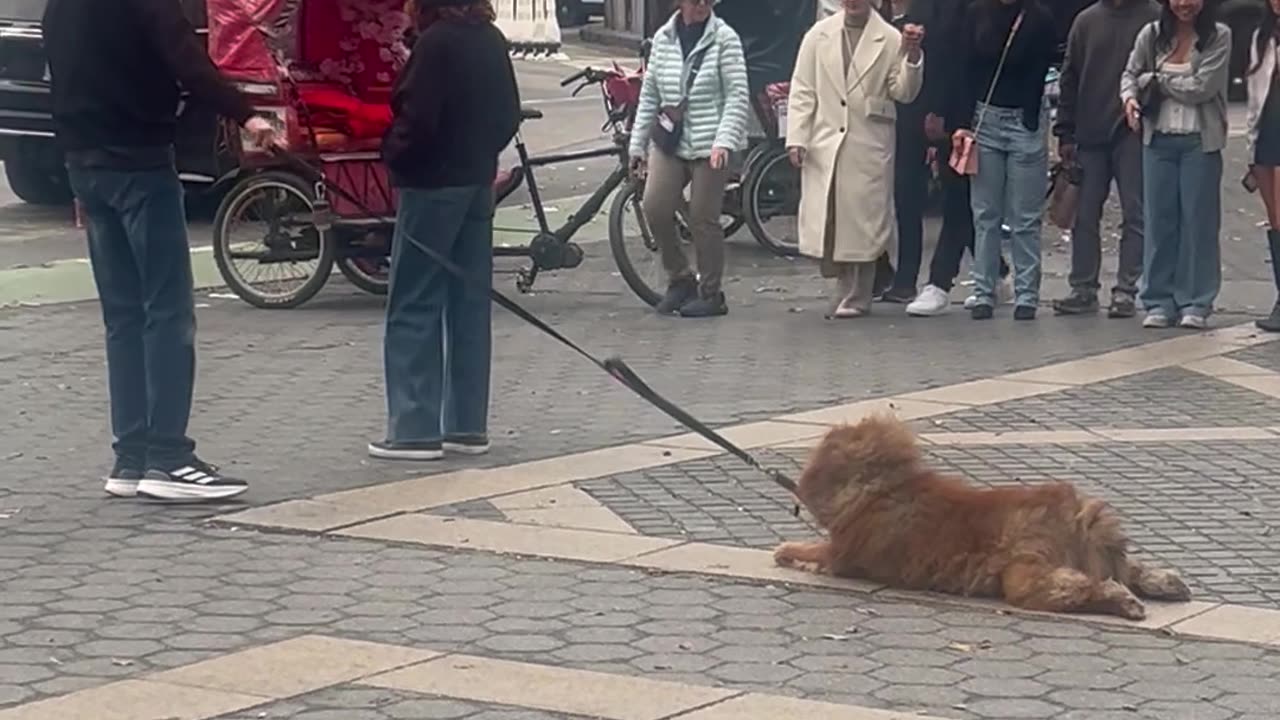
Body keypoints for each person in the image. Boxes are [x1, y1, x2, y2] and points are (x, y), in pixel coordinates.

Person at [43, 0, 275, 501]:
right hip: (140, 161)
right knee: (167, 311)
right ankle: (169, 456)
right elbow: (186, 61)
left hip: (85, 163)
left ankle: (131, 456)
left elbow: (56, 74)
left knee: (122, 318)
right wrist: (247, 116)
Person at [372, 0, 521, 460]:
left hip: (432, 183)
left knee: (414, 299)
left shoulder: (436, 44)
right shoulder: (490, 39)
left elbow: (416, 119)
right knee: (468, 302)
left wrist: (393, 155)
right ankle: (466, 424)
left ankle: (415, 427)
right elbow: (508, 115)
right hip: (477, 181)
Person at [786, 0, 924, 317]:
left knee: (865, 218)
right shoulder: (817, 35)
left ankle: (860, 293)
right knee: (835, 216)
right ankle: (845, 287)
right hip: (826, 139)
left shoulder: (889, 38)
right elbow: (803, 89)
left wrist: (912, 57)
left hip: (867, 140)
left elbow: (903, 91)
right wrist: (797, 137)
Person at [630, 0, 751, 317]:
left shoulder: (726, 38)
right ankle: (680, 278)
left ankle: (711, 294)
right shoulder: (663, 38)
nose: (701, 5)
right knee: (655, 207)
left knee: (702, 217)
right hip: (673, 141)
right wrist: (637, 145)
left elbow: (737, 95)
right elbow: (650, 95)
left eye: (707, 0)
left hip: (712, 142)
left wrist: (724, 141)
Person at [1121, 0, 1231, 329]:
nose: (1185, 4)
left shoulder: (1219, 36)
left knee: (1199, 224)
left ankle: (1196, 301)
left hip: (1200, 140)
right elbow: (1129, 74)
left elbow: (1203, 87)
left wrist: (1153, 80)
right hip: (1158, 140)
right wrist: (1130, 95)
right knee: (1159, 222)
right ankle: (1158, 300)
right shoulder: (1151, 34)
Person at [904, 0, 1013, 317]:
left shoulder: (972, 10)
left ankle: (940, 281)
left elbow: (959, 62)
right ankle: (996, 272)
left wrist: (944, 113)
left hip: (970, 113)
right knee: (961, 197)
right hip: (934, 109)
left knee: (959, 197)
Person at [949, 0, 1056, 321]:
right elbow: (965, 69)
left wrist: (1031, 121)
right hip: (985, 119)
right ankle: (984, 290)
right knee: (985, 214)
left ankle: (1027, 295)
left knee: (1025, 218)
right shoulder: (975, 13)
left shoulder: (1040, 17)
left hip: (1025, 120)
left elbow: (1041, 71)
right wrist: (963, 121)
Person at [1052, 0, 1159, 319]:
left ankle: (1127, 289)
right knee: (1084, 216)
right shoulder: (1087, 20)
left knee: (1135, 213)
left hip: (1134, 133)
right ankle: (1083, 287)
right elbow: (1069, 77)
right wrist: (1065, 131)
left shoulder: (1153, 16)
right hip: (1090, 133)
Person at [880, 0, 931, 303]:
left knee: (907, 198)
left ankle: (906, 278)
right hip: (876, 119)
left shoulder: (926, 17)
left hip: (913, 119)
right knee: (875, 199)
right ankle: (878, 271)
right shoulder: (874, 15)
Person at [1246, 0, 1280, 331]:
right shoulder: (1263, 37)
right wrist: (1251, 147)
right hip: (1269, 133)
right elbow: (1256, 94)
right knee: (1276, 220)